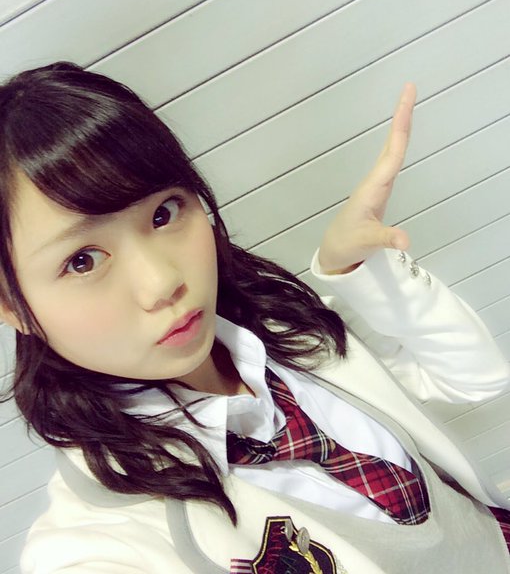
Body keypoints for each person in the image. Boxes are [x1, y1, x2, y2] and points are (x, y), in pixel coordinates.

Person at [0, 61, 509, 574]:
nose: (162, 282)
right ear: (10, 306)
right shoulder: (100, 543)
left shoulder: (284, 328)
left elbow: (475, 379)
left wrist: (361, 272)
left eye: (163, 213)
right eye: (82, 261)